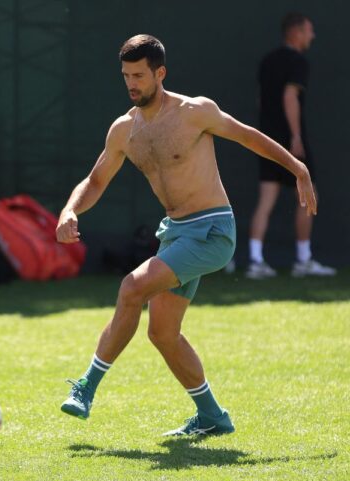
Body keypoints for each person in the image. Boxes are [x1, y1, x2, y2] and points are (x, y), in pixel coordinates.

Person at [58, 35, 317, 436]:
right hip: (176, 234)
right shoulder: (123, 130)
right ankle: (213, 416)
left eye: (139, 75)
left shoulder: (195, 112)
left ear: (160, 73)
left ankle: (86, 388)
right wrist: (70, 209)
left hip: (213, 230)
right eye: (126, 75)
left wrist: (298, 168)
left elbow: (248, 136)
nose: (132, 83)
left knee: (131, 288)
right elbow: (95, 181)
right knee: (162, 333)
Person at [247, 13, 335, 279]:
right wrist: (295, 137)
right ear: (296, 32)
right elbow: (289, 96)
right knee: (308, 196)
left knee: (266, 199)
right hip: (289, 140)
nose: (312, 36)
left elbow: (261, 101)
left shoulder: (267, 61)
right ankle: (303, 260)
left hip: (266, 140)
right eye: (309, 31)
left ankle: (254, 261)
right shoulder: (298, 61)